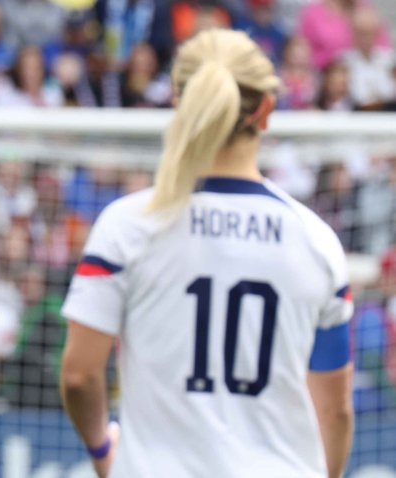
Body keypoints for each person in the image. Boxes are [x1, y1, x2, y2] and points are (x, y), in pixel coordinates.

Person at [60, 29, 354, 478]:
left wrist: (103, 450)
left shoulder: (130, 226)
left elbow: (80, 376)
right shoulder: (316, 241)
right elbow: (335, 411)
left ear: (179, 103)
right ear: (267, 111)